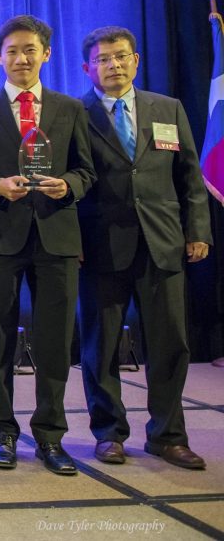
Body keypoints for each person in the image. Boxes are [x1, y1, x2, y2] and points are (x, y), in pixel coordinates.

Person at [0, 14, 95, 475]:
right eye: (12, 51)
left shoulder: (70, 108)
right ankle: (2, 432)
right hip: (1, 236)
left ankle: (51, 436)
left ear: (46, 55)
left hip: (58, 236)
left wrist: (68, 185)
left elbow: (86, 170)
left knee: (55, 340)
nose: (21, 58)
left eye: (30, 50)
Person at [76, 26, 211, 469]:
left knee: (170, 344)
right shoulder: (75, 114)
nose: (113, 65)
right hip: (100, 246)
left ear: (136, 60)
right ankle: (108, 433)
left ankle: (168, 436)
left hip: (163, 242)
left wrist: (198, 231)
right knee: (101, 346)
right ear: (87, 67)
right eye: (103, 59)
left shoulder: (167, 108)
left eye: (120, 56)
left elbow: (189, 176)